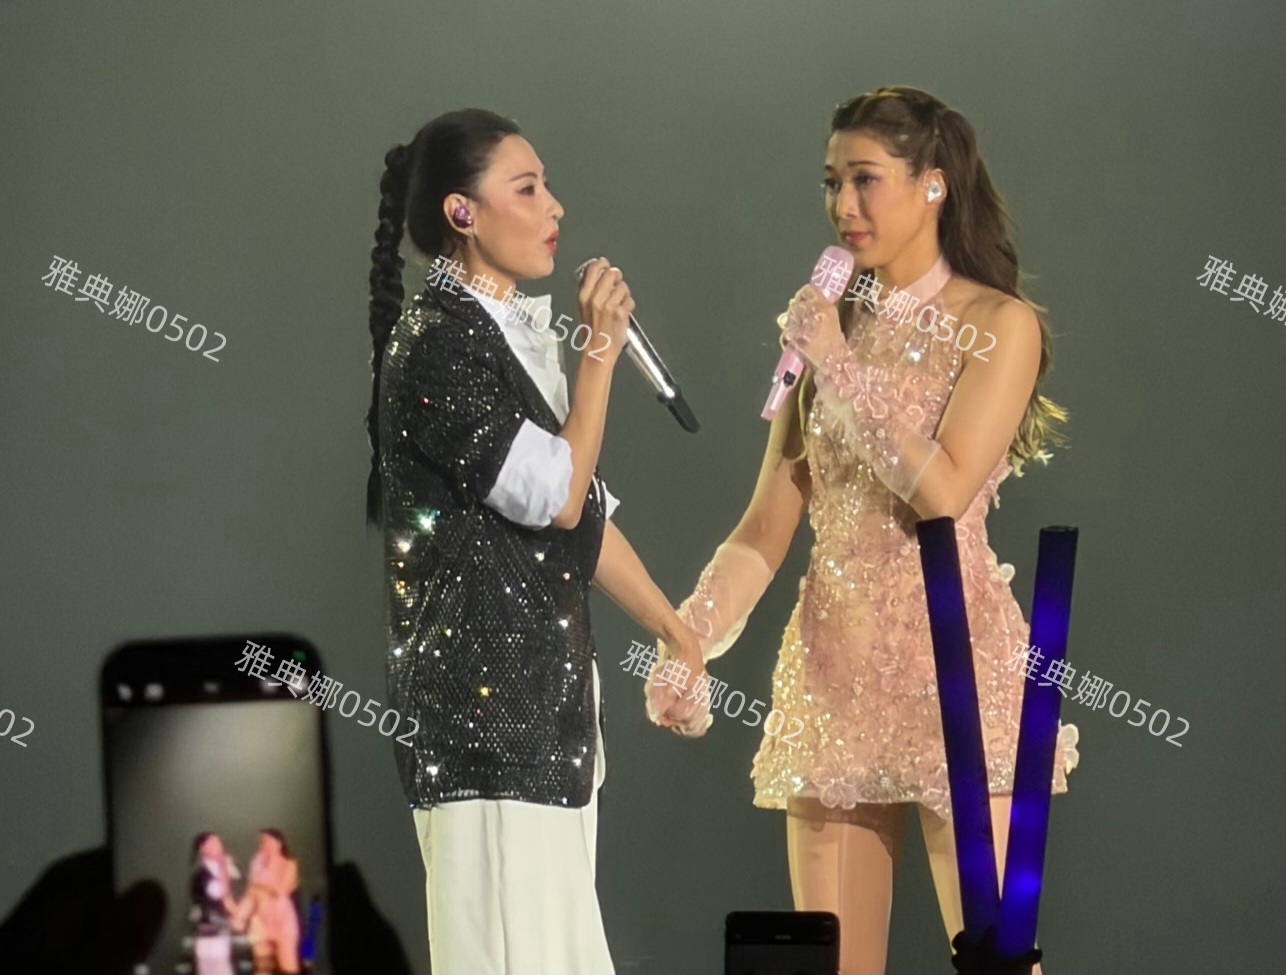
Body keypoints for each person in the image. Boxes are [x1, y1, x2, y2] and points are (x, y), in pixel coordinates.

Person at [647, 87, 1080, 974]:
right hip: (834, 673)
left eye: (865, 179)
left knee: (999, 961)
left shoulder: (996, 326)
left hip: (956, 669)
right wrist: (689, 634)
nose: (843, 204)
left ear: (933, 184)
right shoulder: (827, 330)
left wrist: (840, 367)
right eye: (831, 182)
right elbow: (765, 527)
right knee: (830, 963)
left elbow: (944, 492)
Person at [365, 108, 705, 975]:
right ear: (462, 212)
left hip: (545, 728)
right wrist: (599, 355)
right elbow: (557, 494)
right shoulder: (439, 345)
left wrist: (677, 631)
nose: (554, 206)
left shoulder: (504, 331)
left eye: (547, 185)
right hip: (485, 736)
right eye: (526, 188)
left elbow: (581, 511)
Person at [233, 829, 300, 975]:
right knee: (263, 967)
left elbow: (282, 889)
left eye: (268, 841)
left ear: (279, 843)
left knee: (288, 965)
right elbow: (250, 894)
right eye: (262, 842)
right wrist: (240, 916)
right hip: (260, 919)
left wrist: (261, 881)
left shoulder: (289, 864)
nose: (264, 845)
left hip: (282, 918)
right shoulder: (257, 864)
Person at [189, 832, 239, 975]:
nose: (219, 846)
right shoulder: (201, 875)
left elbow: (228, 898)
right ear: (202, 848)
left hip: (221, 934)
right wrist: (223, 865)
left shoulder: (223, 870)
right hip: (210, 936)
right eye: (213, 843)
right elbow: (220, 892)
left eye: (219, 842)